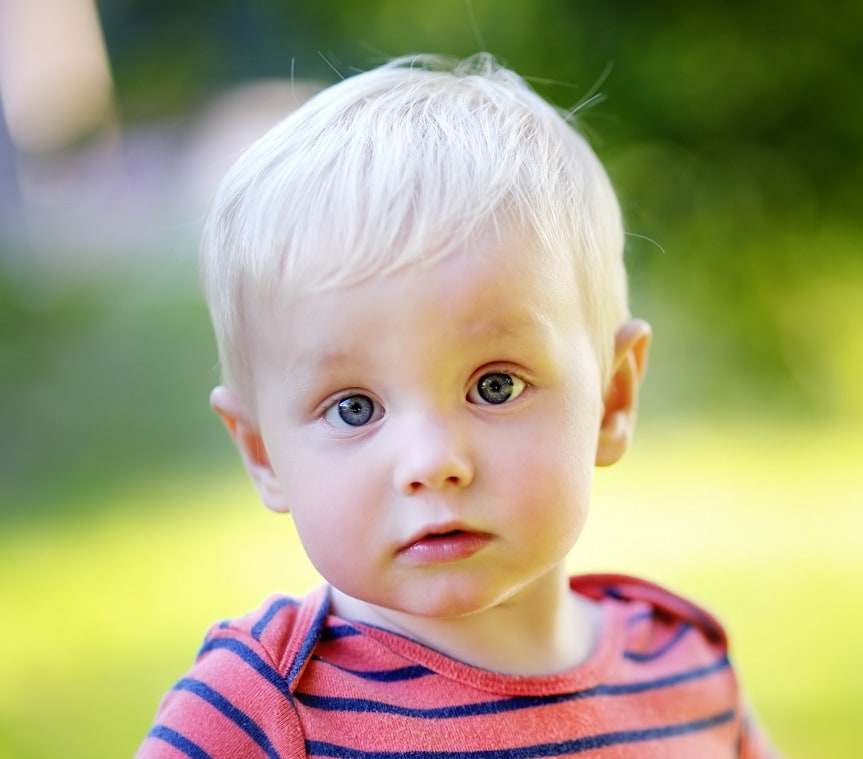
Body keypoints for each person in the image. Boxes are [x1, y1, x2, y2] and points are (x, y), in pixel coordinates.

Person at [137, 53, 777, 758]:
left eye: (494, 385)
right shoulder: (256, 710)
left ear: (611, 397)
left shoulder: (685, 669)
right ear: (263, 453)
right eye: (354, 408)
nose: (433, 461)